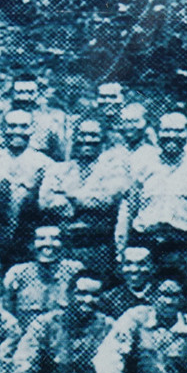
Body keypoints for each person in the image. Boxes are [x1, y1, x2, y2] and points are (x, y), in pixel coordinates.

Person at [116, 111, 187, 298]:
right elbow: (127, 210)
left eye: (178, 131)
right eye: (166, 131)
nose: (171, 136)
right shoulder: (143, 165)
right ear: (157, 133)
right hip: (148, 245)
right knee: (145, 299)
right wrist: (120, 250)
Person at [38, 118, 133, 279]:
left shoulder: (114, 171)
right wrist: (87, 201)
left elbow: (107, 200)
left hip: (98, 248)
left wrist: (68, 195)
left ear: (103, 140)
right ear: (75, 138)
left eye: (93, 135)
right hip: (63, 246)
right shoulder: (59, 169)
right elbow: (45, 201)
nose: (87, 140)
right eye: (82, 135)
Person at [0, 108, 54, 267]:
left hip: (28, 243)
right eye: (12, 126)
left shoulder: (46, 165)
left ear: (32, 129)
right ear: (3, 130)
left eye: (23, 126)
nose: (17, 131)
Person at [99, 245, 187, 327]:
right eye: (128, 264)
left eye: (142, 264)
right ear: (120, 268)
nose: (134, 270)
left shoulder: (166, 293)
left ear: (153, 267)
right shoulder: (109, 298)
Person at [1, 225, 86, 327]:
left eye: (55, 239)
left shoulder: (74, 271)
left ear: (64, 244)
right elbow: (3, 307)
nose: (48, 244)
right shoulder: (18, 273)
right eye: (41, 239)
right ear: (31, 245)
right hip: (26, 338)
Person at [100, 101, 159, 184]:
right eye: (127, 122)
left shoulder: (153, 152)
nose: (130, 126)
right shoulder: (113, 151)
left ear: (145, 123)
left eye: (135, 121)